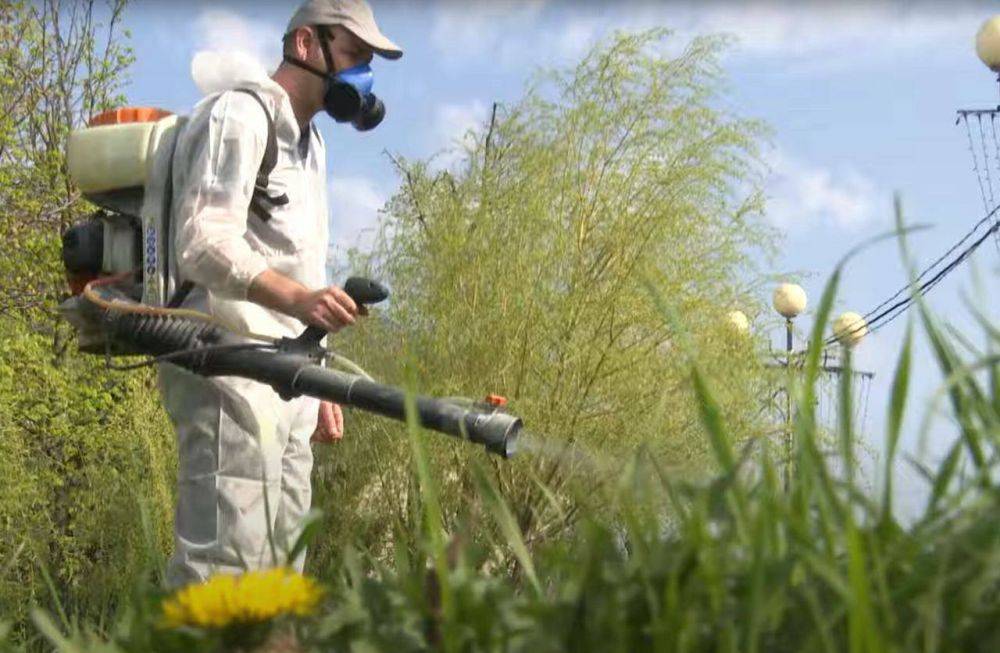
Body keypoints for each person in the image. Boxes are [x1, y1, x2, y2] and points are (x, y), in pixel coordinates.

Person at [158, 0, 402, 587]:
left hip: (288, 375)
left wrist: (317, 381)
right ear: (303, 46)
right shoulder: (239, 115)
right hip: (229, 361)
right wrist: (297, 300)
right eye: (352, 56)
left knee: (283, 567)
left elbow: (301, 260)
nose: (359, 76)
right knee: (226, 567)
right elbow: (202, 241)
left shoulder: (312, 145)